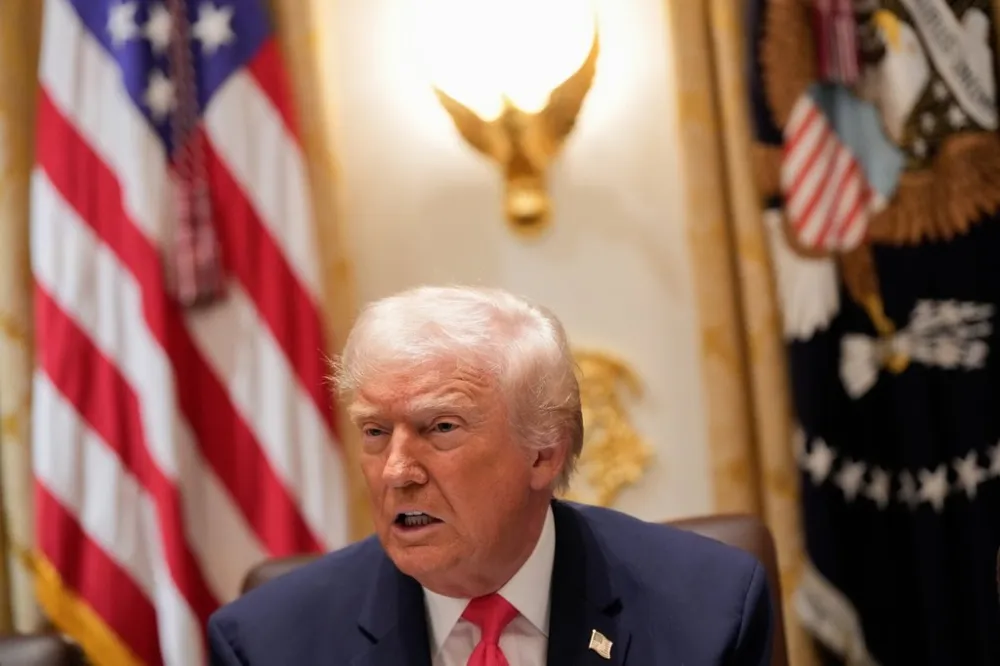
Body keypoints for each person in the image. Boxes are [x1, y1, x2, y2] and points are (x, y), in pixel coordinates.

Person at [207, 285, 774, 665]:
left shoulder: (709, 610)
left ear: (543, 454)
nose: (397, 472)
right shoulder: (265, 645)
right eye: (376, 432)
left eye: (440, 428)